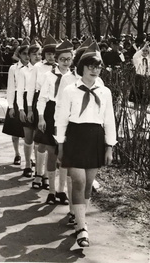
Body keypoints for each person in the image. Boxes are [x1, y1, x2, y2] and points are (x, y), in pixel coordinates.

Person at [57, 41, 116, 248]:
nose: (95, 70)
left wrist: (109, 146)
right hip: (75, 136)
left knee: (89, 184)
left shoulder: (105, 92)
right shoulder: (70, 90)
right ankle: (82, 228)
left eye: (98, 66)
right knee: (79, 182)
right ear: (81, 67)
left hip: (96, 138)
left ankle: (80, 219)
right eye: (90, 65)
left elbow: (109, 120)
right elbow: (62, 119)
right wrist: (60, 144)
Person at [33, 40, 73, 205]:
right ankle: (50, 190)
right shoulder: (48, 76)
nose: (65, 62)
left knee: (63, 155)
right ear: (57, 59)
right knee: (51, 152)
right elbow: (42, 99)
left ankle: (61, 190)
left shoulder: (74, 78)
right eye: (62, 59)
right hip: (50, 112)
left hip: (66, 115)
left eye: (68, 59)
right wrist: (41, 118)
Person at [26, 33, 58, 188]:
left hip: (55, 105)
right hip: (40, 102)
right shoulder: (37, 67)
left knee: (51, 143)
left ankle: (47, 174)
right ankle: (38, 174)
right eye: (49, 53)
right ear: (44, 54)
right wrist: (31, 110)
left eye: (54, 54)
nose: (52, 57)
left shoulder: (60, 69)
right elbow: (31, 89)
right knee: (41, 141)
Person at [2, 39, 30, 165]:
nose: (27, 56)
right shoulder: (13, 68)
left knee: (29, 131)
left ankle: (29, 157)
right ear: (19, 55)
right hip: (16, 100)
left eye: (29, 53)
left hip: (28, 100)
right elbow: (10, 87)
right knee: (15, 130)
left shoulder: (34, 68)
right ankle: (17, 154)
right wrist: (11, 106)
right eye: (24, 53)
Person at [17, 39, 42, 177]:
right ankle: (27, 164)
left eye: (39, 54)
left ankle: (39, 168)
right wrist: (21, 109)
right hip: (28, 104)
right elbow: (20, 92)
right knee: (28, 137)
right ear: (29, 56)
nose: (37, 57)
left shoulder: (44, 70)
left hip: (39, 104)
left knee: (38, 138)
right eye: (34, 54)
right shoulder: (24, 71)